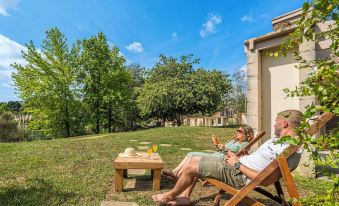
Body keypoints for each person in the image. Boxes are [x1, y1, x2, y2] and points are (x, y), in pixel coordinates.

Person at [152, 110, 303, 206]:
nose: (274, 124)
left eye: (276, 121)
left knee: (191, 167)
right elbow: (261, 163)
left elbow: (263, 179)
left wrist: (238, 165)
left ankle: (169, 195)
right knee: (193, 159)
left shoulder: (288, 148)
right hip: (237, 166)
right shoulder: (281, 142)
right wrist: (236, 158)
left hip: (239, 174)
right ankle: (184, 197)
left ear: (284, 123)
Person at [163, 124, 254, 179]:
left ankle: (177, 174)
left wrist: (225, 149)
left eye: (240, 131)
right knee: (190, 154)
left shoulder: (244, 144)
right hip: (216, 155)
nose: (237, 132)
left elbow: (236, 157)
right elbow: (223, 149)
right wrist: (218, 146)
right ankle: (176, 173)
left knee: (192, 155)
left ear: (246, 134)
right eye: (237, 130)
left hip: (220, 160)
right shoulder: (234, 141)